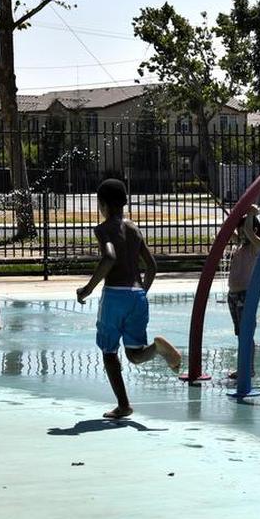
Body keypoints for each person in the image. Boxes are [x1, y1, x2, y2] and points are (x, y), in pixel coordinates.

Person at [76, 178, 182, 420]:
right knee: (134, 354)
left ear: (102, 204)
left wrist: (88, 288)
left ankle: (123, 405)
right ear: (124, 202)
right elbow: (152, 266)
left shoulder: (103, 229)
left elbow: (109, 257)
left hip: (115, 295)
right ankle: (156, 348)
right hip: (137, 296)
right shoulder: (134, 229)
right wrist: (142, 291)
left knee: (109, 352)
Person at [227, 203, 260, 379]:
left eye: (244, 231)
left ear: (254, 229)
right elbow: (226, 232)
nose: (241, 234)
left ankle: (249, 369)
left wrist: (250, 215)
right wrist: (236, 217)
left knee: (247, 333)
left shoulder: (257, 246)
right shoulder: (240, 247)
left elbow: (249, 232)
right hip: (233, 296)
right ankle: (243, 367)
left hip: (245, 296)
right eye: (240, 232)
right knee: (241, 334)